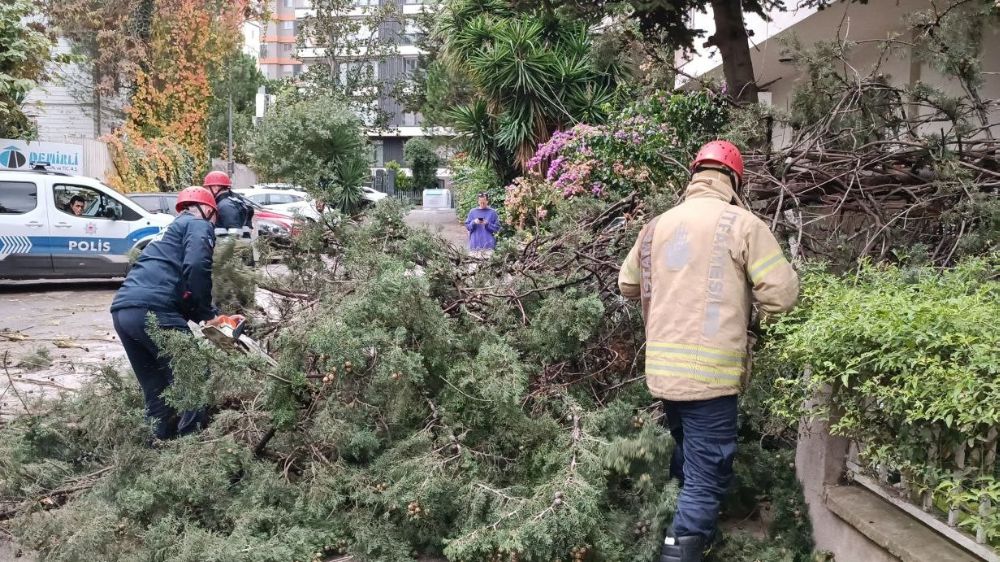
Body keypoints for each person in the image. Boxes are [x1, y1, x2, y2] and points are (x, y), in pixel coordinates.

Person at [617, 141, 799, 562]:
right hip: (710, 377)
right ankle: (680, 550)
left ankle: (691, 536)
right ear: (735, 180)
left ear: (694, 175)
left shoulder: (656, 225)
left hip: (663, 373)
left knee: (687, 457)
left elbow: (627, 285)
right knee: (707, 473)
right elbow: (783, 297)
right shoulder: (743, 224)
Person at [110, 187, 239, 441]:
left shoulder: (167, 233)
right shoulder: (199, 224)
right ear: (209, 210)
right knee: (194, 378)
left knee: (157, 392)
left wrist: (207, 318)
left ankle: (153, 455)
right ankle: (190, 448)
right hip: (154, 310)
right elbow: (196, 266)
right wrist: (207, 313)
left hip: (124, 311)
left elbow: (179, 287)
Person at [202, 171, 254, 238]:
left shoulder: (225, 206)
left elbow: (234, 235)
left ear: (215, 188)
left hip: (230, 247)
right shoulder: (233, 200)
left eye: (207, 188)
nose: (207, 191)